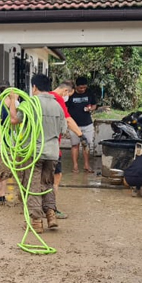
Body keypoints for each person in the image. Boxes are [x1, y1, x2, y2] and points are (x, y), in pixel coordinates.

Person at [29, 74, 68, 232]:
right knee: (48, 183)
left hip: (34, 152)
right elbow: (63, 130)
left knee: (33, 185)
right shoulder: (57, 105)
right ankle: (51, 215)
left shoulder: (31, 103)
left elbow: (15, 121)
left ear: (34, 87)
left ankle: (37, 222)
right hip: (52, 152)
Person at [49, 80, 88, 219]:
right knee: (55, 178)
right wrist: (81, 135)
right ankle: (51, 209)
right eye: (69, 95)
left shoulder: (41, 98)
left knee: (38, 179)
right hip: (52, 148)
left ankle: (35, 209)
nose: (67, 99)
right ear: (65, 91)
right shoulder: (58, 99)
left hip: (36, 148)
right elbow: (68, 120)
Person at [66, 77, 97, 173]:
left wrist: (90, 109)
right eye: (80, 88)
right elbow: (65, 108)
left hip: (87, 124)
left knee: (86, 145)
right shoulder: (71, 94)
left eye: (84, 88)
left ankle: (86, 165)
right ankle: (75, 165)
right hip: (74, 125)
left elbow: (94, 105)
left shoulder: (89, 92)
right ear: (76, 86)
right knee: (75, 145)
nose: (83, 90)